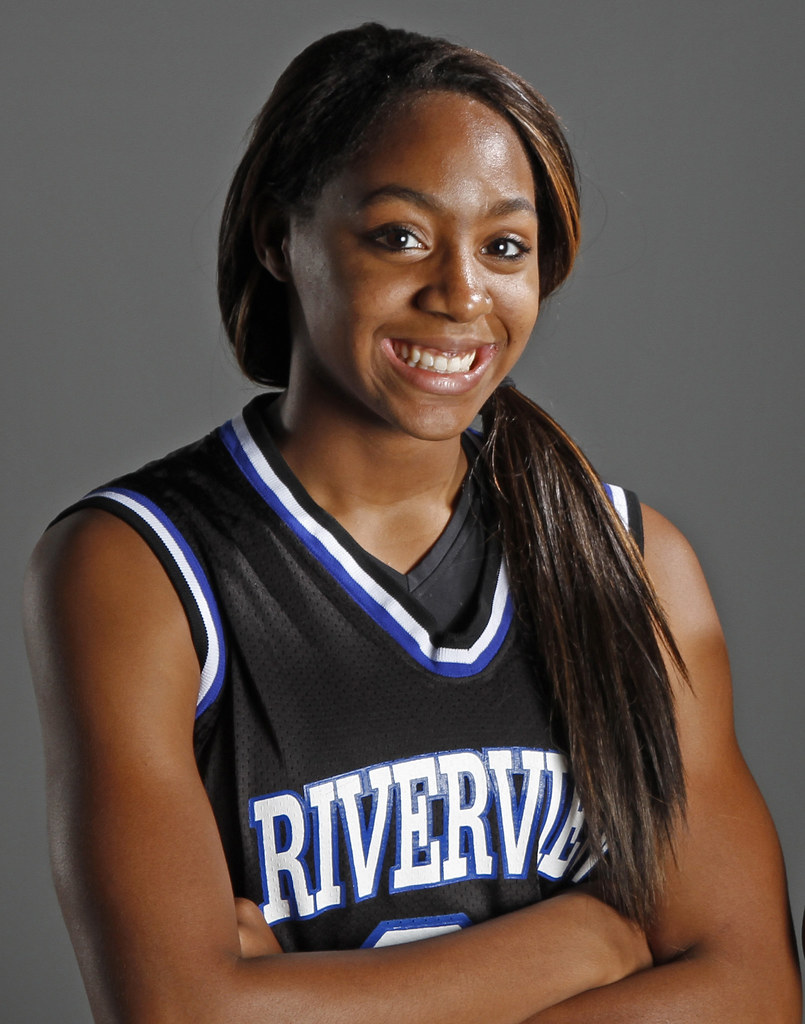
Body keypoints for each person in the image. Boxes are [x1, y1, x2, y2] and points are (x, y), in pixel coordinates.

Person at [24, 22, 800, 1024]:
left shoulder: (634, 562)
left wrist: (296, 1001)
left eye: (504, 246)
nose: (458, 292)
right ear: (279, 233)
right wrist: (585, 941)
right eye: (398, 235)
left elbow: (755, 993)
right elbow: (182, 1012)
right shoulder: (136, 563)